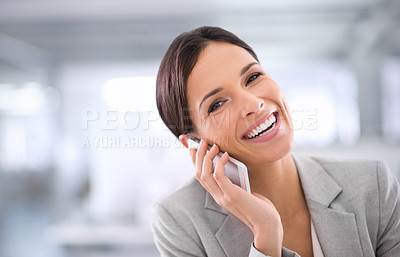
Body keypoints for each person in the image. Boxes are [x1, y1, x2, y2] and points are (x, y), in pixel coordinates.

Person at [151, 26, 400, 257]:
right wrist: (266, 236)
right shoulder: (180, 220)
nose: (254, 103)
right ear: (194, 143)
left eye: (252, 77)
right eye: (217, 104)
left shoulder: (372, 187)